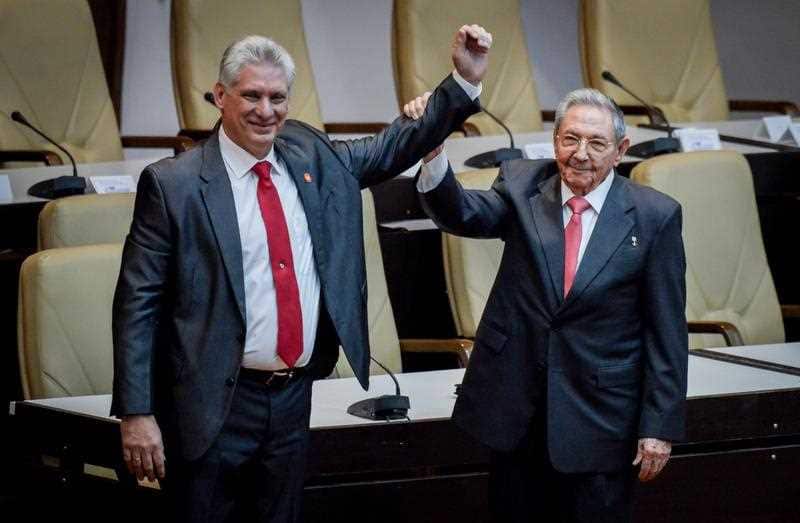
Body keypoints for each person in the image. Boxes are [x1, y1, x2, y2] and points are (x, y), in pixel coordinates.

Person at [111, 25, 492, 523]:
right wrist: (137, 412)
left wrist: (460, 82)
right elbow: (137, 301)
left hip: (292, 398)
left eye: (277, 97)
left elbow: (390, 148)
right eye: (251, 95)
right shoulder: (173, 184)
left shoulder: (310, 155)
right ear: (220, 96)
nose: (265, 111)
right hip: (211, 403)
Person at [408, 87, 688, 522]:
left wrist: (659, 426)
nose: (581, 154)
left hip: (602, 419)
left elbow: (666, 331)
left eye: (596, 143)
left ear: (620, 151)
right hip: (518, 412)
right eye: (570, 139)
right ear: (555, 139)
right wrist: (433, 150)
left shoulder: (655, 216)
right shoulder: (522, 185)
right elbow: (460, 212)